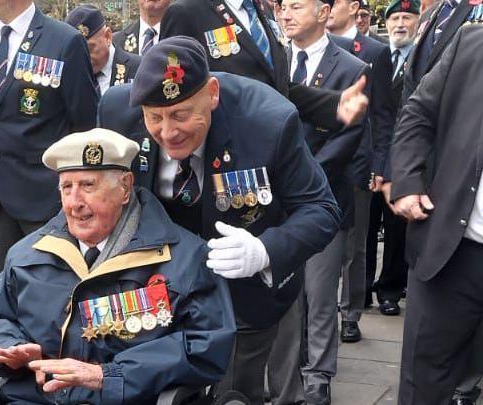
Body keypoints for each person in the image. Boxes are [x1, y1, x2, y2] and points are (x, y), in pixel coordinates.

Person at [99, 36, 341, 405]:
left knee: (233, 393)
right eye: (154, 118)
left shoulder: (267, 122)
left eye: (181, 114)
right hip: (152, 293)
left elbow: (321, 209)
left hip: (241, 294)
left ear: (211, 94)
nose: (168, 131)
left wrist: (264, 250)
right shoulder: (118, 112)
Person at [0, 128, 236, 404]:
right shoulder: (28, 255)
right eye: (66, 188)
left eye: (88, 186)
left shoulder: (185, 259)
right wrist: (11, 349)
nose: (74, 203)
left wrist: (110, 376)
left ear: (125, 188)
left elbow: (206, 346)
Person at [277, 0, 370, 401]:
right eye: (282, 7)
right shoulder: (274, 62)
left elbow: (351, 134)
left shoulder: (351, 67)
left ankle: (318, 377)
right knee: (284, 292)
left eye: (296, 5)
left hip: (322, 197)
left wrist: (304, 172)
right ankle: (288, 374)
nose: (286, 13)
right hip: (274, 201)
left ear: (323, 11)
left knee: (319, 294)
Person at [0, 0, 99, 279]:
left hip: (46, 200)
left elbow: (86, 123)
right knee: (2, 296)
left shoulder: (64, 41)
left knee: (51, 295)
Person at [390, 24, 483, 404]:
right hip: (454, 250)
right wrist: (408, 183)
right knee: (423, 383)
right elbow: (418, 113)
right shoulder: (471, 42)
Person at [159, 0, 370, 131]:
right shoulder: (186, 12)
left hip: (271, 150)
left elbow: (276, 87)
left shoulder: (263, 11)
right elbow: (174, 93)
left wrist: (334, 104)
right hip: (224, 156)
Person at [327, 0, 396, 343]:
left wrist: (380, 164)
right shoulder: (299, 48)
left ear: (352, 7)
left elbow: (383, 114)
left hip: (357, 164)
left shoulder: (374, 51)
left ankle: (350, 313)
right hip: (317, 163)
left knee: (355, 248)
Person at [365, 0, 419, 318]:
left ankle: (390, 290)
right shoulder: (375, 56)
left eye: (407, 17)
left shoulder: (424, 59)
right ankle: (361, 292)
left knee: (397, 231)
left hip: (404, 159)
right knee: (366, 228)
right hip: (370, 154)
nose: (400, 24)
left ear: (418, 22)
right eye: (395, 17)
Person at [65, 5, 141, 96]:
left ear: (107, 36)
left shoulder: (140, 68)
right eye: (77, 52)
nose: (84, 58)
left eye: (89, 49)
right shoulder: (68, 76)